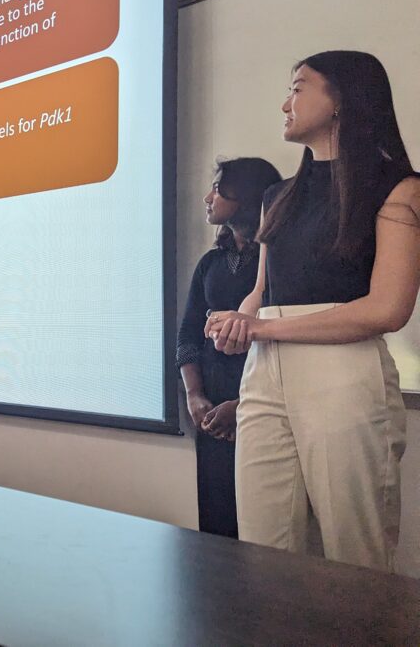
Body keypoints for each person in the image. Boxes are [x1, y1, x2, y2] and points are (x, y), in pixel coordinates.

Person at [207, 51, 420, 571]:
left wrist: (264, 326)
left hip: (342, 369)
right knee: (263, 551)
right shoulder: (277, 196)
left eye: (299, 88)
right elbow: (263, 292)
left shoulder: (399, 187)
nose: (286, 102)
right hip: (265, 370)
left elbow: (388, 309)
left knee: (356, 554)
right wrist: (238, 320)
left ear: (342, 98)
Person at [177, 157, 281, 538]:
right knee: (216, 526)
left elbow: (283, 336)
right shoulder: (211, 263)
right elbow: (188, 334)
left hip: (264, 407)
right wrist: (194, 396)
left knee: (263, 533)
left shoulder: (280, 261)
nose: (208, 197)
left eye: (219, 188)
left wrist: (245, 406)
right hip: (211, 416)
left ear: (248, 193)